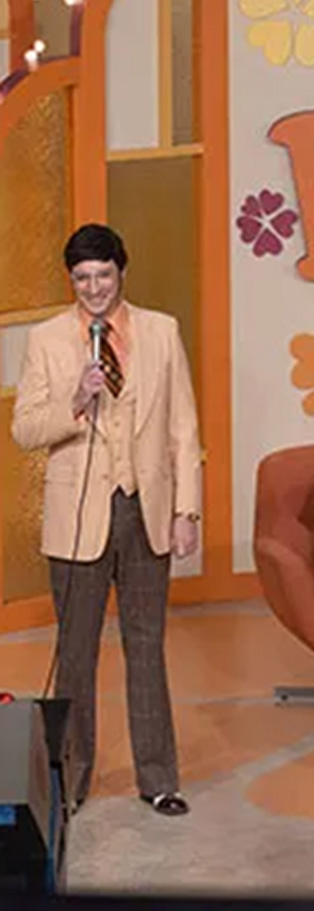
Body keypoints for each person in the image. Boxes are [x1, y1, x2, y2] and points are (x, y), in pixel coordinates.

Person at [8, 224, 200, 816]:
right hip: (77, 519)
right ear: (72, 280)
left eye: (103, 275)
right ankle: (72, 781)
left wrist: (186, 510)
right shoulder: (46, 339)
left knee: (147, 647)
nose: (93, 287)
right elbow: (24, 429)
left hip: (145, 509)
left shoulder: (162, 331)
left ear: (121, 272)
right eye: (82, 278)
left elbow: (183, 427)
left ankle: (159, 779)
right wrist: (74, 399)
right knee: (75, 654)